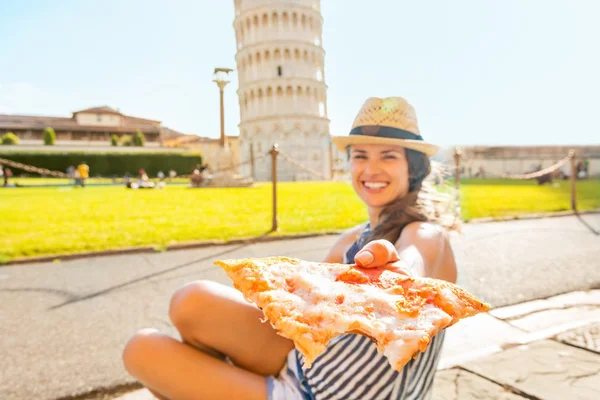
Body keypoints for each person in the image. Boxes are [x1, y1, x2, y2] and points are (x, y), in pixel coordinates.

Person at [122, 96, 459, 400]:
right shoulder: (351, 239)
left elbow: (415, 259)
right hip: (307, 363)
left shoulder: (427, 234)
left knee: (141, 351)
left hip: (330, 395)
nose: (371, 169)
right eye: (360, 156)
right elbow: (307, 311)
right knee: (190, 300)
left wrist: (399, 276)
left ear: (412, 168)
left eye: (388, 156)